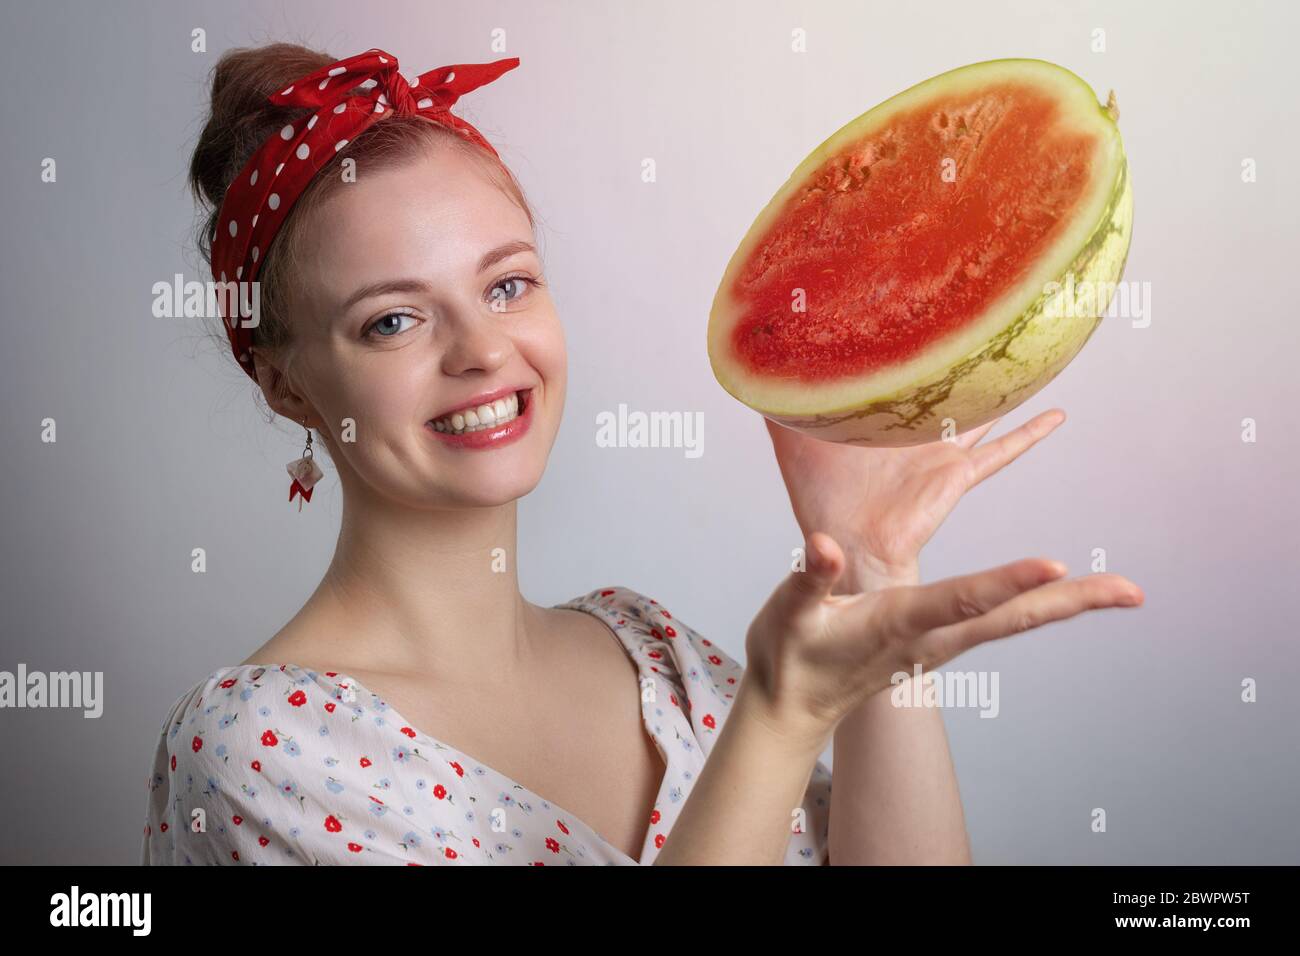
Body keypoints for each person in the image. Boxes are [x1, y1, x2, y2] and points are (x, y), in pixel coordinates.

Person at [140, 42, 1143, 866]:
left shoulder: (656, 656)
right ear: (285, 382)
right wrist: (782, 712)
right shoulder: (255, 750)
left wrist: (872, 572)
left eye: (506, 284)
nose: (485, 351)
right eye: (393, 319)